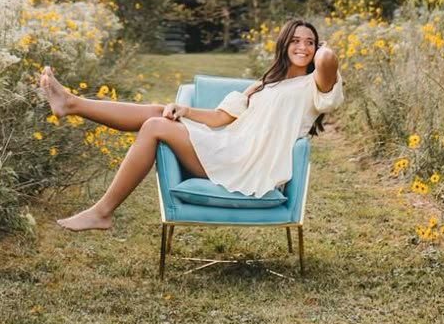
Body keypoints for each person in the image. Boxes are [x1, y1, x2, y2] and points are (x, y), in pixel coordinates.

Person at [38, 17, 343, 231]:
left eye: (310, 42)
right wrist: (185, 109)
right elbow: (220, 117)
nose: (303, 47)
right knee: (162, 112)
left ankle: (102, 211)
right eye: (296, 40)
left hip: (249, 166)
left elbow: (328, 59)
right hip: (231, 150)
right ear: (284, 44)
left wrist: (324, 47)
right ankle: (71, 104)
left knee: (155, 126)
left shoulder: (315, 86)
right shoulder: (265, 84)